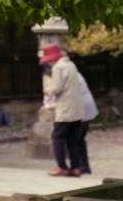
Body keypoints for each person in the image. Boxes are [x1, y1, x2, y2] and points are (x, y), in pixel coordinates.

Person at [41, 43, 85, 177]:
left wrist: (47, 90)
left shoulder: (58, 68)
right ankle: (75, 167)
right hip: (77, 107)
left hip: (65, 108)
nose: (48, 62)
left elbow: (56, 88)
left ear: (52, 58)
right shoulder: (71, 65)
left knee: (57, 137)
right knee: (73, 139)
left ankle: (61, 166)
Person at [76, 72, 98, 175]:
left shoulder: (65, 73)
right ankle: (84, 166)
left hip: (79, 109)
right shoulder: (75, 73)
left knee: (74, 139)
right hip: (86, 108)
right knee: (79, 139)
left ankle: (79, 166)